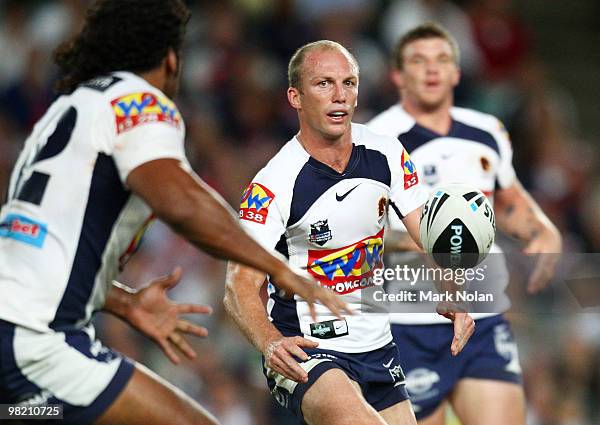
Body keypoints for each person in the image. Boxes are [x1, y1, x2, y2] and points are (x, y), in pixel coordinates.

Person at [0, 1, 348, 424]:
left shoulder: (63, 113)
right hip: (35, 338)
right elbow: (181, 202)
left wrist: (124, 304)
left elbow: (40, 249)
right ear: (169, 59)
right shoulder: (139, 102)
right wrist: (276, 266)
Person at [223, 40, 476, 425]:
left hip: (377, 346)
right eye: (323, 84)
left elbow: (425, 233)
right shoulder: (273, 185)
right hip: (310, 350)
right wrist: (269, 341)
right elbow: (237, 285)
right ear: (295, 97)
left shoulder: (387, 154)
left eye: (349, 82)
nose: (339, 95)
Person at [366, 23, 562, 425]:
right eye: (418, 61)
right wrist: (432, 241)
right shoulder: (376, 140)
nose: (432, 70)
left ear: (457, 72)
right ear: (398, 76)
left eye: (442, 60)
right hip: (407, 322)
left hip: (483, 314)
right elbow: (362, 230)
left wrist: (543, 229)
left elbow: (507, 203)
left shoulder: (487, 130)